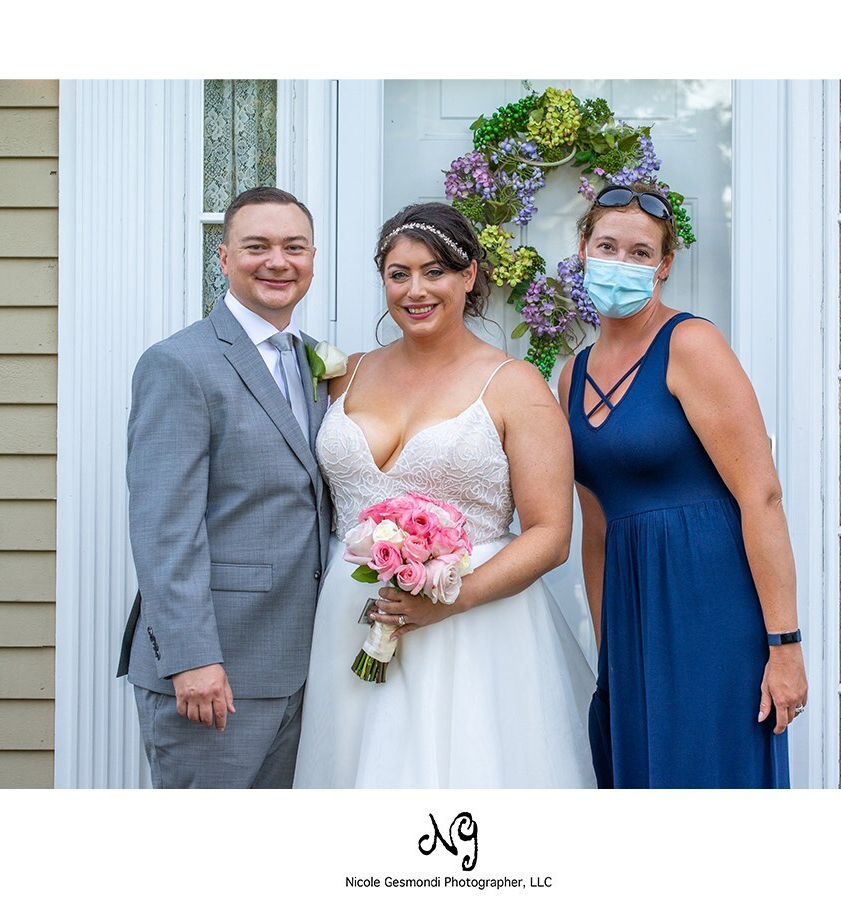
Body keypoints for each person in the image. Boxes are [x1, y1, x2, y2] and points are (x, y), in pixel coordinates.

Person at [294, 202, 595, 788]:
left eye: (435, 271)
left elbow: (551, 535)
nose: (415, 290)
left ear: (470, 276)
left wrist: (450, 600)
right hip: (351, 614)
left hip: (474, 625)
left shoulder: (514, 385)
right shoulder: (341, 372)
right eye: (398, 273)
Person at [558, 183, 809, 788]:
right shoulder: (570, 375)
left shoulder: (691, 345)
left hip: (711, 605)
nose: (621, 263)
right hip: (629, 613)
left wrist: (785, 645)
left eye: (640, 253)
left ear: (664, 265)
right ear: (583, 250)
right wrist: (607, 647)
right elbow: (595, 526)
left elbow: (762, 496)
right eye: (607, 246)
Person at [117, 187, 333, 788]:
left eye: (294, 247)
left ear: (313, 258)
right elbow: (164, 527)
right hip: (216, 673)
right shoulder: (179, 364)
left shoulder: (314, 360)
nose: (277, 261)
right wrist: (191, 658)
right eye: (256, 246)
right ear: (223, 258)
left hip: (303, 664)